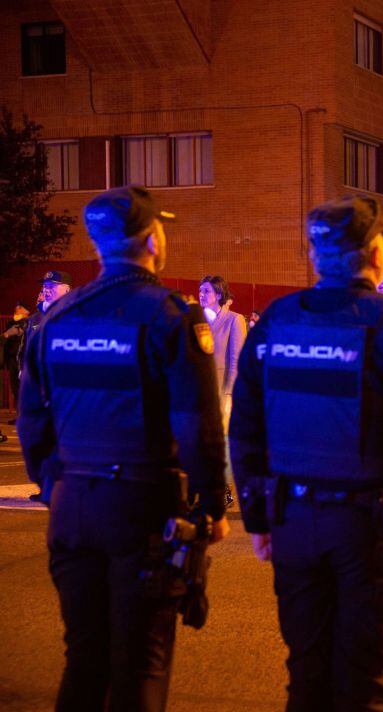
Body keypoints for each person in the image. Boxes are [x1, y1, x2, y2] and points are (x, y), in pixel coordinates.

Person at [230, 195, 383, 710]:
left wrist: (259, 520)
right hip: (368, 528)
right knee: (365, 678)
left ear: (315, 255)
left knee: (306, 672)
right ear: (375, 254)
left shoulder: (276, 320)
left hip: (293, 519)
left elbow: (245, 432)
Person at [17, 184, 229, 711]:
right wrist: (210, 506)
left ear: (98, 244)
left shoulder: (57, 319)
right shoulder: (170, 316)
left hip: (72, 505)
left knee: (85, 659)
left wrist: (53, 485)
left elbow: (31, 419)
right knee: (140, 664)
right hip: (142, 507)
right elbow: (197, 422)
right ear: (153, 238)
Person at [198, 275, 248, 427]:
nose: (201, 294)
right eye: (200, 290)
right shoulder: (196, 319)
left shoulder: (234, 320)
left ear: (219, 294)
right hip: (198, 390)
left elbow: (236, 361)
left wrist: (229, 394)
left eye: (206, 291)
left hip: (220, 390)